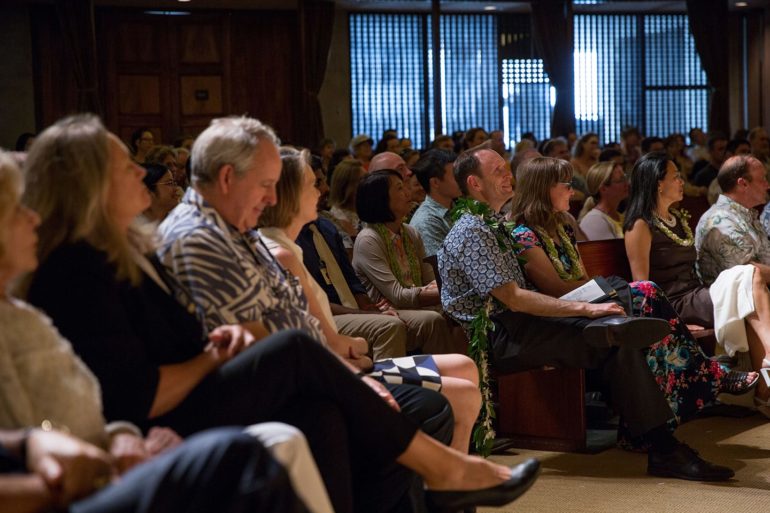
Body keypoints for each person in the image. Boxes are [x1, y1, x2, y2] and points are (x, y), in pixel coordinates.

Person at [22, 114, 541, 513]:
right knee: (299, 356)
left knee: (325, 414)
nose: (142, 171)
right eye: (125, 167)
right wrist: (212, 355)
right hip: (171, 410)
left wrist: (223, 349)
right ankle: (445, 469)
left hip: (207, 384)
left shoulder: (125, 250)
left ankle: (441, 471)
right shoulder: (86, 267)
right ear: (91, 186)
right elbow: (139, 391)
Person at [0, 150, 332, 513]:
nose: (34, 217)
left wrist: (124, 436)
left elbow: (78, 409)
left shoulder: (25, 311)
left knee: (310, 418)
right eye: (18, 210)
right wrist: (101, 460)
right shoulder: (75, 273)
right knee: (266, 401)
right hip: (82, 482)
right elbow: (58, 422)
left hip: (118, 446)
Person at [439, 146, 736, 481]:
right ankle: (664, 423)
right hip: (500, 334)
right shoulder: (471, 230)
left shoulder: (493, 224)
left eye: (507, 168)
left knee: (618, 338)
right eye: (498, 172)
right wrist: (585, 308)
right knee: (614, 328)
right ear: (474, 184)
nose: (509, 175)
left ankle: (661, 444)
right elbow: (514, 299)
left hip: (525, 322)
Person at [508, 157, 756, 446]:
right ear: (542, 189)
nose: (572, 192)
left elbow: (583, 279)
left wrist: (600, 289)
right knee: (646, 290)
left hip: (587, 303)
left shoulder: (562, 228)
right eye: (565, 185)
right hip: (559, 315)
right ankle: (708, 374)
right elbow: (554, 288)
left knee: (644, 311)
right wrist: (602, 290)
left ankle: (672, 406)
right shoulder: (522, 235)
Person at [260, 146, 481, 452]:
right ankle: (453, 481)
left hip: (344, 358)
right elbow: (322, 339)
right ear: (290, 195)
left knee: (463, 366)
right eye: (312, 184)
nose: (321, 191)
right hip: (339, 370)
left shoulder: (295, 244)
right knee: (464, 392)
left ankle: (451, 476)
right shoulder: (282, 253)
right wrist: (361, 347)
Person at [625, 152, 770, 417]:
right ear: (658, 183)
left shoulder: (678, 219)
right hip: (674, 303)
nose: (682, 181)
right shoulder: (640, 225)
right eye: (676, 176)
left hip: (696, 293)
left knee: (750, 278)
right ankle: (765, 382)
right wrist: (673, 323)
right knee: (750, 279)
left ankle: (766, 378)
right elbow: (641, 287)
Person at [0, 427, 311, 513]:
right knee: (233, 457)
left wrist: (30, 439)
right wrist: (55, 487)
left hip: (90, 465)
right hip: (49, 497)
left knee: (313, 416)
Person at [352, 170, 463, 352]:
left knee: (464, 310)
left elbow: (429, 279)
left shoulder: (410, 232)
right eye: (399, 188)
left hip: (416, 302)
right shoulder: (368, 239)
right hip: (387, 311)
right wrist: (448, 290)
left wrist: (445, 290)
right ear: (380, 199)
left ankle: (475, 374)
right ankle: (444, 376)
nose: (408, 193)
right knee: (436, 317)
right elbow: (397, 295)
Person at [695, 155, 770, 411]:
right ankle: (765, 392)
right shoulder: (720, 220)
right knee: (756, 299)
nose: (768, 185)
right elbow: (747, 274)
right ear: (742, 183)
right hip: (729, 297)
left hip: (753, 292)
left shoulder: (748, 215)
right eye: (762, 179)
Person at [408, 149, 461, 257]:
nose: (461, 179)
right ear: (435, 182)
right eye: (455, 175)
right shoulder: (426, 221)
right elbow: (441, 269)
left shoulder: (456, 206)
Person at [577, 161, 628, 240]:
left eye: (625, 177)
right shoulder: (594, 220)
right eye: (620, 180)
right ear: (603, 188)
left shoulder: (620, 217)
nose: (626, 183)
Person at [325, 158, 365, 256]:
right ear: (346, 186)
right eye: (362, 180)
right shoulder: (334, 219)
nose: (367, 184)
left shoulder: (365, 210)